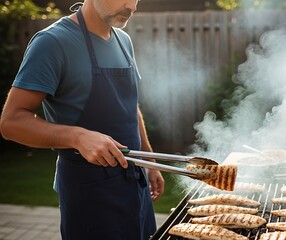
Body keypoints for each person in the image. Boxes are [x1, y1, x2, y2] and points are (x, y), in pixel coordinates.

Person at [0, 0, 164, 239]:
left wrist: (148, 159)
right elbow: (11, 122)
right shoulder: (52, 43)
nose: (132, 6)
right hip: (91, 195)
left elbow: (129, 105)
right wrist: (77, 136)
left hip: (134, 184)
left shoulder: (123, 40)